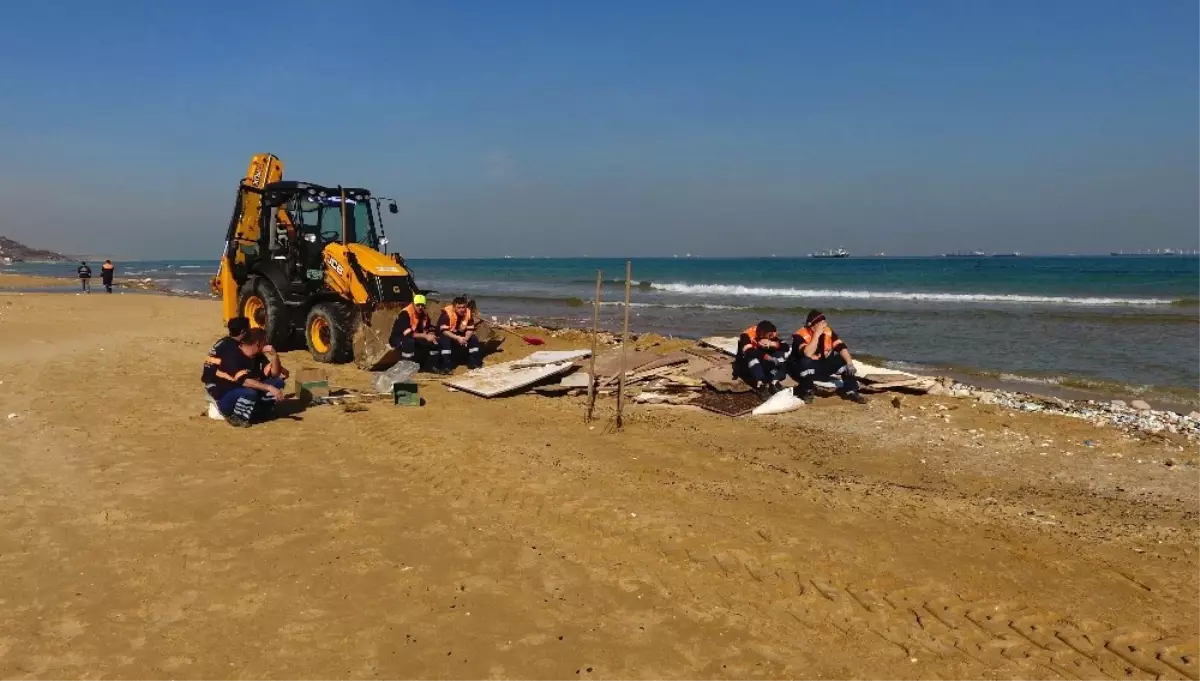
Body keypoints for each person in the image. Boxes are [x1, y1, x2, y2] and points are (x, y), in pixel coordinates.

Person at [206, 328, 287, 427]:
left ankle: (259, 411)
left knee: (278, 382)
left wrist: (275, 356)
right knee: (250, 392)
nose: (267, 345)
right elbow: (244, 381)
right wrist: (269, 387)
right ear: (258, 343)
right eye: (265, 342)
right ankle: (237, 417)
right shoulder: (233, 356)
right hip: (225, 397)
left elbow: (275, 375)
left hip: (246, 392)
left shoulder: (258, 357)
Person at [787, 310, 867, 404]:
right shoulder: (800, 335)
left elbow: (841, 347)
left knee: (842, 360)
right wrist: (816, 334)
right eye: (821, 323)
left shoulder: (828, 331)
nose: (824, 325)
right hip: (801, 368)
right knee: (805, 361)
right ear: (813, 324)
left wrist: (849, 363)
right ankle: (807, 391)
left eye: (824, 322)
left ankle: (851, 391)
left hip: (820, 364)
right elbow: (807, 353)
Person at [734, 320, 787, 395]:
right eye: (770, 335)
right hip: (746, 364)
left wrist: (773, 344)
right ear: (762, 334)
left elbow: (785, 347)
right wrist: (765, 356)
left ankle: (774, 381)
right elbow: (748, 351)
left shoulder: (768, 333)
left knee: (779, 354)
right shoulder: (746, 335)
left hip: (762, 362)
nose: (772, 336)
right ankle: (760, 384)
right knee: (752, 357)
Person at [388, 294, 438, 370]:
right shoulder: (405, 313)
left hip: (415, 336)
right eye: (418, 305)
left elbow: (428, 327)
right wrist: (425, 336)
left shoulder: (424, 314)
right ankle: (405, 366)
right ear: (413, 304)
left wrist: (432, 334)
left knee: (435, 343)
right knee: (409, 342)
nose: (420, 307)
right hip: (399, 337)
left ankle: (429, 366)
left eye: (422, 305)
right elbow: (407, 333)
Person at [436, 296, 481, 373]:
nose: (462, 310)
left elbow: (470, 328)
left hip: (459, 333)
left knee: (474, 339)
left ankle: (473, 363)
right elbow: (444, 331)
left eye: (463, 307)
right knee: (446, 341)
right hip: (446, 334)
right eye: (459, 307)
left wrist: (466, 338)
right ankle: (446, 366)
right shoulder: (446, 314)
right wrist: (457, 338)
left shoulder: (468, 313)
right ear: (454, 307)